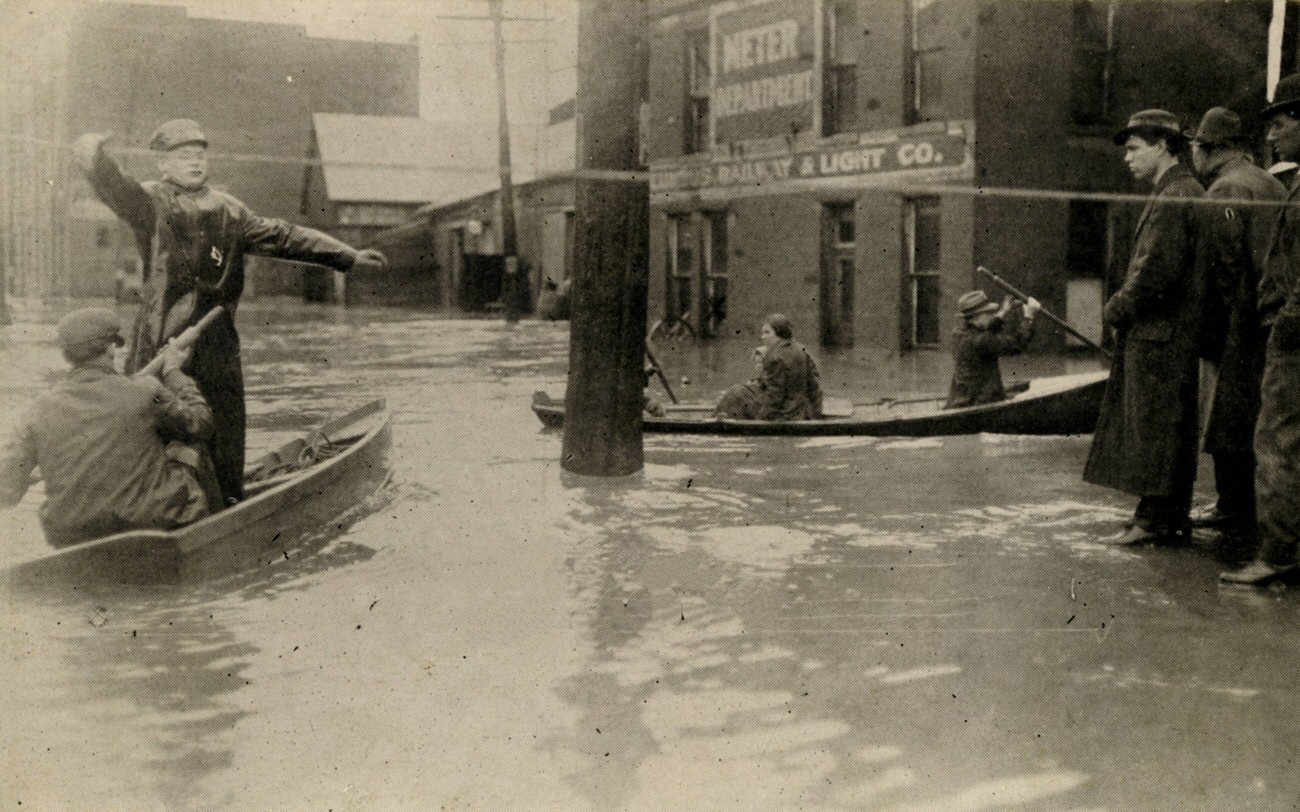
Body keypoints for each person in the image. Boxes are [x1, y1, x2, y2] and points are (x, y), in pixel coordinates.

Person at [72, 119, 389, 506]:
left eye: (200, 155)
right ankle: (151, 507)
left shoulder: (230, 211)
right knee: (157, 428)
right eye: (184, 156)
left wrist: (347, 256)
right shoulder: (151, 202)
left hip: (218, 341)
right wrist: (93, 158)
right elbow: (117, 189)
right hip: (163, 339)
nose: (194, 163)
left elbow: (285, 236)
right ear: (162, 165)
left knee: (224, 427)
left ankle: (226, 504)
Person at [1084, 109, 1205, 546]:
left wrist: (1115, 308)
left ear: (1164, 146)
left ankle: (1155, 520)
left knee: (1155, 427)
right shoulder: (1180, 190)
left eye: (1135, 148)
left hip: (1161, 336)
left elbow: (1155, 271)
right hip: (1168, 334)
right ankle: (1165, 516)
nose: (1127, 158)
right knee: (1165, 426)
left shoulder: (1174, 197)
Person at [0, 308, 219, 547]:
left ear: (67, 355)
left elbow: (5, 490)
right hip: (150, 524)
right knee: (187, 444)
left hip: (71, 536)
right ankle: (217, 530)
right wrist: (173, 371)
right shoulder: (146, 390)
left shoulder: (36, 411)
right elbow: (201, 422)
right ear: (111, 348)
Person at [1186, 107, 1287, 538]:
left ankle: (1233, 506)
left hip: (1239, 323)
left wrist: (1208, 331)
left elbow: (1222, 269)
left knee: (1226, 417)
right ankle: (1258, 507)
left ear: (1208, 148)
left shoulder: (1225, 189)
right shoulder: (1272, 182)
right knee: (1263, 418)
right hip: (1274, 316)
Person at [1221, 75, 1300, 584]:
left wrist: (1283, 328)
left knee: (1276, 443)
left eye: (1281, 123)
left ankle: (1279, 554)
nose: (1270, 136)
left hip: (1294, 342)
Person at [944, 290, 1040, 409]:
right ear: (978, 316)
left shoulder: (958, 333)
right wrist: (1029, 317)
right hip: (981, 403)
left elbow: (987, 331)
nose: (992, 316)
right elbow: (1017, 345)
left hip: (961, 399)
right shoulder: (981, 340)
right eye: (989, 313)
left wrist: (1004, 312)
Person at [714, 314, 822, 420]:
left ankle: (713, 421)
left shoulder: (775, 356)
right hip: (803, 409)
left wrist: (761, 419)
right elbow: (814, 385)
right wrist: (815, 412)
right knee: (745, 389)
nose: (762, 337)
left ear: (779, 333)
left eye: (767, 332)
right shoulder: (801, 349)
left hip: (785, 413)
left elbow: (775, 395)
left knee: (735, 392)